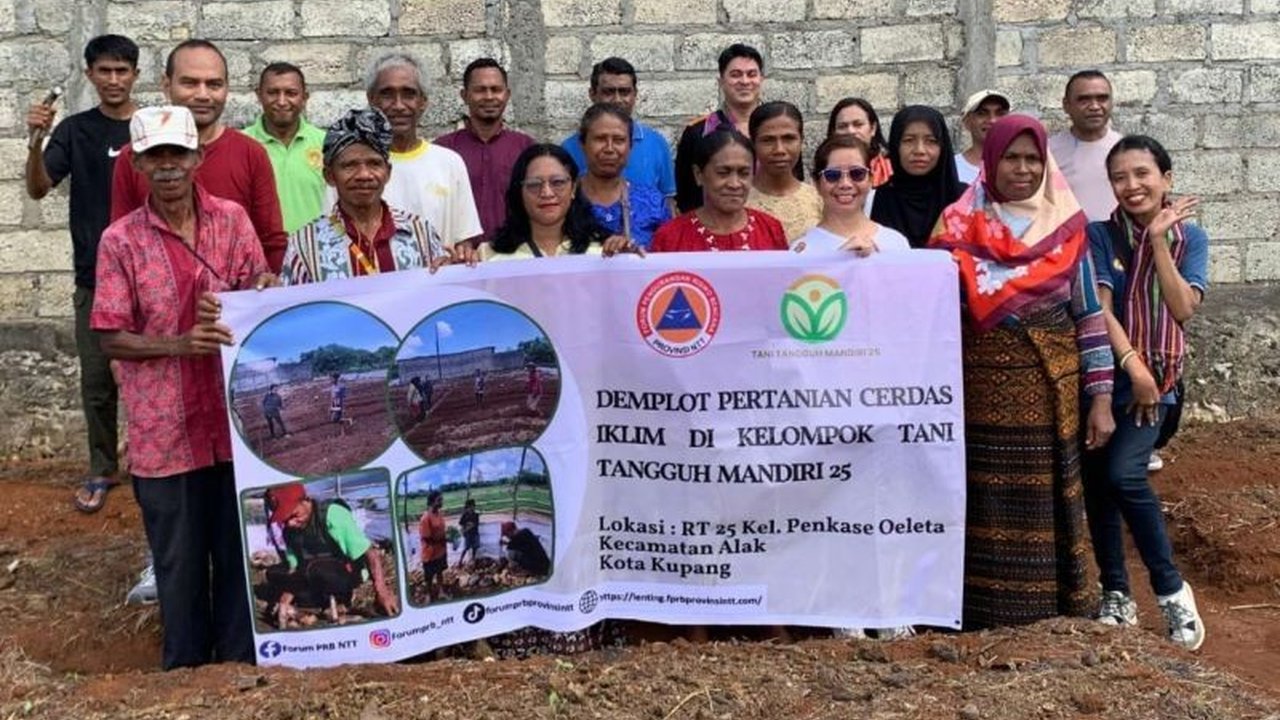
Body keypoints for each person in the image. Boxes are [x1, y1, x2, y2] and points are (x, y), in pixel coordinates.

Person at [92, 105, 273, 669]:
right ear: (137, 165)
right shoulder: (120, 241)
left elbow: (257, 289)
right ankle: (187, 675)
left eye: (177, 154)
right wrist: (179, 344)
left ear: (197, 158)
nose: (167, 166)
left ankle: (242, 668)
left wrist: (262, 290)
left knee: (240, 553)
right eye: (154, 156)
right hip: (164, 432)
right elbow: (111, 336)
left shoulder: (233, 221)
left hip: (233, 423)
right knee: (178, 561)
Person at [928, 114, 1115, 630]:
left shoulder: (1066, 226)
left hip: (1049, 394)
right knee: (983, 496)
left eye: (1033, 158)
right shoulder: (956, 225)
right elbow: (930, 310)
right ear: (991, 161)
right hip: (977, 395)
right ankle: (978, 614)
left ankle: (1052, 614)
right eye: (1012, 157)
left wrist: (1100, 397)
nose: (1024, 168)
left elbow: (1089, 316)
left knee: (1044, 500)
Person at [1082, 135, 1208, 651]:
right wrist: (1130, 363)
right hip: (1101, 379)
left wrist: (1157, 241)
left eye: (1142, 174)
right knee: (1097, 485)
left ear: (1166, 179)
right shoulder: (1099, 236)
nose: (1131, 186)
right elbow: (1100, 308)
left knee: (1123, 473)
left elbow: (1183, 309)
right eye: (1120, 177)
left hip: (1157, 387)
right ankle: (1115, 591)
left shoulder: (1190, 239)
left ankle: (1172, 590)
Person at [24, 34, 139, 514]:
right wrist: (35, 141)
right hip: (94, 278)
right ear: (90, 74)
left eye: (122, 71)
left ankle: (163, 467)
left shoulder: (153, 126)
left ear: (135, 74)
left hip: (150, 273)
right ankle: (101, 468)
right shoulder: (74, 131)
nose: (114, 80)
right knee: (97, 379)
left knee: (160, 372)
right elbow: (37, 190)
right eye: (104, 71)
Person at [111, 39, 288, 272]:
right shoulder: (133, 157)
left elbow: (271, 242)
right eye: (190, 83)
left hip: (235, 303)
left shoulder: (251, 154)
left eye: (214, 84)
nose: (203, 95)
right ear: (167, 84)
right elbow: (121, 244)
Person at [280, 108, 462, 284]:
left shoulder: (421, 234)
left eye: (374, 164)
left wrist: (454, 274)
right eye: (350, 165)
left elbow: (438, 302)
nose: (364, 175)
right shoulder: (304, 245)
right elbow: (291, 311)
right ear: (330, 176)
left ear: (388, 172)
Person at [364, 52, 483, 247]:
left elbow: (464, 241)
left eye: (408, 94)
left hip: (439, 277)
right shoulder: (353, 169)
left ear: (423, 101)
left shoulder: (449, 163)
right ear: (371, 100)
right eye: (387, 94)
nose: (398, 105)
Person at [675, 44, 800, 212]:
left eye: (752, 74)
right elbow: (687, 196)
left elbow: (795, 179)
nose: (745, 81)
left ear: (761, 79)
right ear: (721, 81)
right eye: (735, 75)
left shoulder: (781, 129)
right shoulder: (699, 132)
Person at [259, 482, 399, 627]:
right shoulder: (289, 531)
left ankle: (341, 600)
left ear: (306, 500)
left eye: (294, 515)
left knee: (317, 570)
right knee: (272, 573)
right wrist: (288, 592)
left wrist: (382, 592)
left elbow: (370, 553)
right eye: (285, 520)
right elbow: (294, 567)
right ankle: (313, 604)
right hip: (311, 574)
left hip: (343, 573)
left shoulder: (333, 514)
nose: (291, 524)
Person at [435, 58, 535, 244]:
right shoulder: (442, 150)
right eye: (480, 90)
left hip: (514, 256)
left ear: (507, 94)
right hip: (459, 258)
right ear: (464, 95)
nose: (489, 97)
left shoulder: (527, 148)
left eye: (496, 89)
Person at [482, 143, 633, 260]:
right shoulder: (489, 255)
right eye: (534, 184)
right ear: (519, 191)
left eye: (558, 182)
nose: (547, 193)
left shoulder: (603, 251)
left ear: (573, 188)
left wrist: (629, 260)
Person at [562, 57, 677, 209]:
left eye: (624, 92)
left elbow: (667, 202)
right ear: (592, 94)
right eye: (608, 92)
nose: (617, 99)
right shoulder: (569, 148)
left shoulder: (656, 144)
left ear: (635, 94)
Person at [652, 129, 789, 253]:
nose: (734, 184)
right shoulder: (671, 237)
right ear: (698, 174)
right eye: (723, 173)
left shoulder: (770, 229)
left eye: (744, 173)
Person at [244, 62, 326, 234]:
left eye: (291, 93)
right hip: (260, 253)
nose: (281, 101)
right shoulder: (240, 144)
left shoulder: (326, 143)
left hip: (315, 252)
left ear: (305, 97)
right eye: (273, 93)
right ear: (259, 95)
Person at [793, 135, 909, 256]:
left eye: (857, 173)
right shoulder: (801, 252)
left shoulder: (896, 243)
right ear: (816, 183)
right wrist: (839, 262)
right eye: (833, 175)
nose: (845, 184)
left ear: (870, 179)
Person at [575, 103, 670, 250]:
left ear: (630, 146)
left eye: (619, 140)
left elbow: (668, 262)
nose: (609, 149)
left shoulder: (654, 203)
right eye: (600, 139)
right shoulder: (563, 201)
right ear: (582, 144)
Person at [871, 105, 967, 248]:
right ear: (896, 145)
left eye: (931, 141)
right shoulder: (877, 199)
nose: (919, 150)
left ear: (943, 147)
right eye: (909, 140)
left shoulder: (965, 199)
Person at [1048, 70, 1122, 222]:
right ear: (1066, 105)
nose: (1094, 106)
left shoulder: (1125, 150)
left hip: (1117, 242)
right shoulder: (1048, 152)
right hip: (1068, 242)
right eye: (1084, 99)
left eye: (1102, 98)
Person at [747, 101, 821, 243]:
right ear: (753, 144)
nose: (779, 150)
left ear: (801, 141)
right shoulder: (737, 202)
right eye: (768, 140)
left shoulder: (820, 200)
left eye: (789, 139)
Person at [826, 97, 893, 188]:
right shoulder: (824, 171)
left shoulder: (892, 167)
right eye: (842, 126)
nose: (850, 131)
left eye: (858, 124)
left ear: (873, 128)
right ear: (833, 132)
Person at [955, 89, 1010, 186]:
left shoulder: (1019, 166)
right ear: (967, 122)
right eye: (982, 113)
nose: (992, 120)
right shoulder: (953, 168)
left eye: (1000, 113)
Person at [418, 490, 448, 601]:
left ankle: (441, 592)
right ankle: (428, 595)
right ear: (432, 502)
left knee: (440, 572)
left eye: (441, 499)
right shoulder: (425, 518)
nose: (441, 502)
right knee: (429, 577)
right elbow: (426, 537)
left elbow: (442, 530)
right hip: (430, 553)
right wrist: (443, 539)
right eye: (439, 500)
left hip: (440, 551)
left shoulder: (439, 514)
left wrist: (447, 536)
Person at [458, 498, 481, 567]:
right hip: (468, 534)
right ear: (468, 507)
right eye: (471, 506)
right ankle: (460, 560)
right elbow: (460, 523)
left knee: (475, 547)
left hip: (474, 532)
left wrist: (469, 525)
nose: (472, 508)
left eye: (473, 506)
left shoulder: (476, 515)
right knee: (466, 547)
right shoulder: (465, 515)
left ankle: (473, 559)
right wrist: (466, 527)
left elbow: (476, 524)